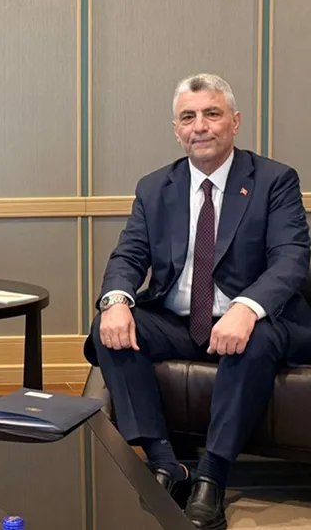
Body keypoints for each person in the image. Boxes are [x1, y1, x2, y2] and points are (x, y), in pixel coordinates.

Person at [84, 73, 311, 530]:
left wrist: (246, 308)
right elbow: (129, 255)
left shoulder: (274, 180)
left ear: (235, 122)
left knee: (255, 336)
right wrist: (116, 301)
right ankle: (165, 463)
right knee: (110, 328)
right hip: (182, 321)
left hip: (259, 322)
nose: (200, 126)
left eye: (212, 113)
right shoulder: (155, 187)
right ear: (176, 129)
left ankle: (212, 476)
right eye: (188, 117)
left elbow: (291, 259)